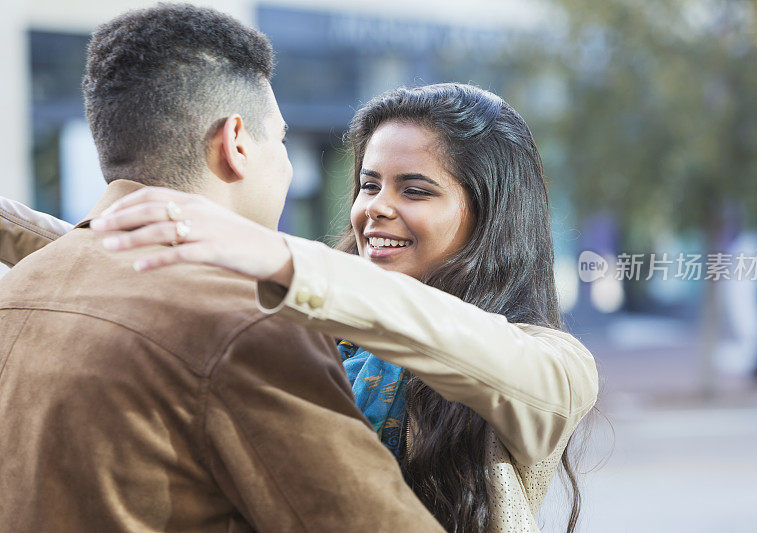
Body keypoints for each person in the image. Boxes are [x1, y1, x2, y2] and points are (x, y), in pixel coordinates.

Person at [5, 83, 598, 531]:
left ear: (491, 217)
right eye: (369, 185)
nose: (376, 209)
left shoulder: (552, 368)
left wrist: (276, 254)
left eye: (414, 190)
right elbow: (102, 254)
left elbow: (441, 332)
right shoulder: (316, 313)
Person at [0, 5, 444, 532]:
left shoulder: (20, 286)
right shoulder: (249, 320)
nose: (286, 164)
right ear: (235, 142)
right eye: (278, 140)